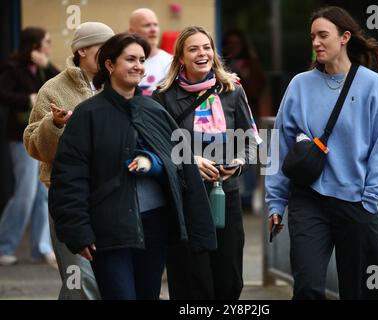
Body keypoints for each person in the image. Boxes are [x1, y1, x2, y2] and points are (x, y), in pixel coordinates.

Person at [48, 33, 216, 300]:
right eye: (130, 59)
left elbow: (179, 164)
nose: (138, 65)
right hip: (109, 229)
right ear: (110, 65)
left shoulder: (154, 110)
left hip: (155, 226)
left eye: (141, 59)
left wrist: (155, 165)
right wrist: (77, 230)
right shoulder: (88, 114)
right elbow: (70, 176)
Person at [265, 6, 378, 300]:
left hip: (357, 203)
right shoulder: (299, 86)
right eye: (312, 36)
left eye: (323, 35)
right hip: (308, 201)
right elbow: (280, 146)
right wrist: (275, 202)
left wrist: (370, 199)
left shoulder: (375, 87)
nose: (316, 43)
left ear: (345, 37)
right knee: (308, 288)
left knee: (361, 291)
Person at [152, 26, 260, 300]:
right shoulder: (163, 96)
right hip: (187, 199)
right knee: (193, 281)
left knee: (229, 279)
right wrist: (190, 161)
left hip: (226, 195)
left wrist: (238, 162)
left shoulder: (232, 90)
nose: (202, 53)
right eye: (193, 49)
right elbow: (159, 147)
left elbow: (252, 141)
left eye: (206, 47)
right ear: (180, 58)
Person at [24, 22, 115, 300]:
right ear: (82, 50)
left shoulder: (118, 85)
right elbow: (34, 145)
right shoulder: (52, 89)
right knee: (79, 280)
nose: (110, 56)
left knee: (111, 278)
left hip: (114, 197)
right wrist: (55, 124)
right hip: (69, 200)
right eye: (103, 48)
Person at [0, 27, 59, 266]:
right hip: (21, 137)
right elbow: (2, 94)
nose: (49, 44)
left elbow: (61, 83)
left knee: (43, 194)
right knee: (25, 194)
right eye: (46, 41)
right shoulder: (13, 68)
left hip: (42, 136)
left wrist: (46, 64)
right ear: (34, 44)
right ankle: (5, 245)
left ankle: (41, 248)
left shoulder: (43, 67)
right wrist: (28, 99)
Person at [222, 29, 267, 212]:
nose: (233, 47)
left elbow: (259, 87)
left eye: (237, 43)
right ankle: (234, 194)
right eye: (230, 43)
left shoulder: (251, 63)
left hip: (249, 113)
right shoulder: (222, 64)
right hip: (224, 118)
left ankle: (247, 198)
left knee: (247, 154)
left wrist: (244, 75)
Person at [129, 8, 172, 96]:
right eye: (147, 25)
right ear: (132, 31)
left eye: (155, 25)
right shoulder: (123, 63)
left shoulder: (171, 61)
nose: (153, 30)